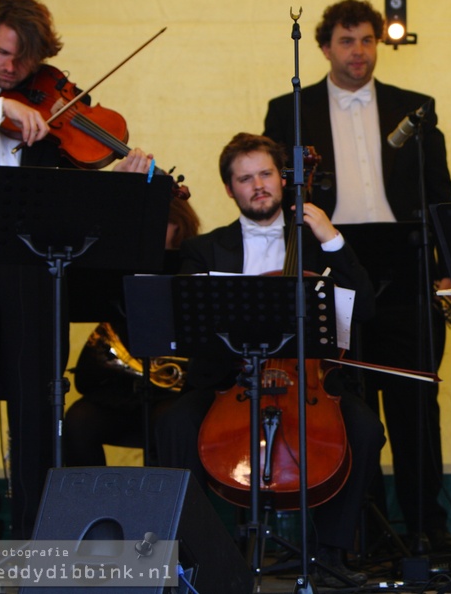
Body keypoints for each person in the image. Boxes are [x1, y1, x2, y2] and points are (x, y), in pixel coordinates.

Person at [263, 0, 451, 551]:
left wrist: (450, 273)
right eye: (347, 41)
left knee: (415, 402)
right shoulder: (288, 111)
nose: (359, 51)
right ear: (325, 48)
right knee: (349, 403)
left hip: (406, 260)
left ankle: (428, 529)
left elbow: (439, 195)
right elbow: (281, 200)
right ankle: (363, 534)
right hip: (332, 260)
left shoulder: (416, 107)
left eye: (368, 40)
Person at [0, 0, 156, 539]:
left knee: (35, 404)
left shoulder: (58, 101)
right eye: (3, 54)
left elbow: (79, 190)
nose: (12, 70)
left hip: (29, 266)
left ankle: (33, 538)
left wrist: (123, 178)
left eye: (25, 60)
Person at [154, 132, 384, 587]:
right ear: (229, 189)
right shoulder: (205, 249)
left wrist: (333, 239)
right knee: (174, 422)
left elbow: (367, 310)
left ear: (282, 179)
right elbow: (184, 322)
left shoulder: (318, 242)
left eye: (265, 174)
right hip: (230, 379)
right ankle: (193, 556)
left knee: (364, 428)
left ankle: (330, 553)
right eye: (245, 179)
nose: (258, 185)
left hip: (308, 381)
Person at [63, 197, 200, 467]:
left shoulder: (196, 262)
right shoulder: (121, 268)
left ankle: (165, 505)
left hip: (173, 394)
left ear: (178, 224)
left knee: (170, 422)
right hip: (125, 391)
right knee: (78, 421)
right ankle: (93, 504)